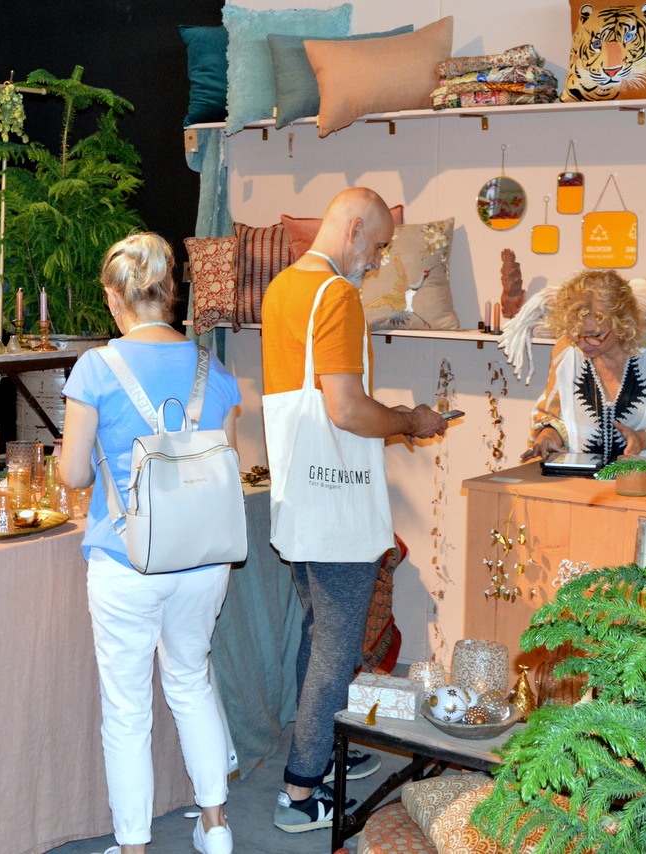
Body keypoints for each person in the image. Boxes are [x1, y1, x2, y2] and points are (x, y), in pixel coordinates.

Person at [260, 187, 449, 833]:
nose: (377, 261)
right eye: (378, 246)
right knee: (337, 648)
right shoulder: (336, 295)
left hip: (299, 498)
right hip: (334, 505)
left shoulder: (284, 288)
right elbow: (344, 408)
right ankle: (301, 792)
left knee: (319, 635)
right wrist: (409, 420)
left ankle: (320, 745)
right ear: (352, 228)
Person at [59, 233, 242, 854]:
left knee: (127, 707)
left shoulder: (95, 369)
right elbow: (226, 466)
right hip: (204, 559)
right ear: (170, 293)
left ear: (116, 299)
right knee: (192, 681)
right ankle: (215, 825)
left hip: (126, 559)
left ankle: (134, 846)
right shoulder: (215, 371)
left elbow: (73, 475)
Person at [521, 269, 646, 466]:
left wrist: (645, 439)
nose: (582, 344)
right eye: (575, 333)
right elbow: (553, 416)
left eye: (595, 335)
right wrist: (548, 436)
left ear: (622, 324)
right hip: (582, 481)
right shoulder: (566, 351)